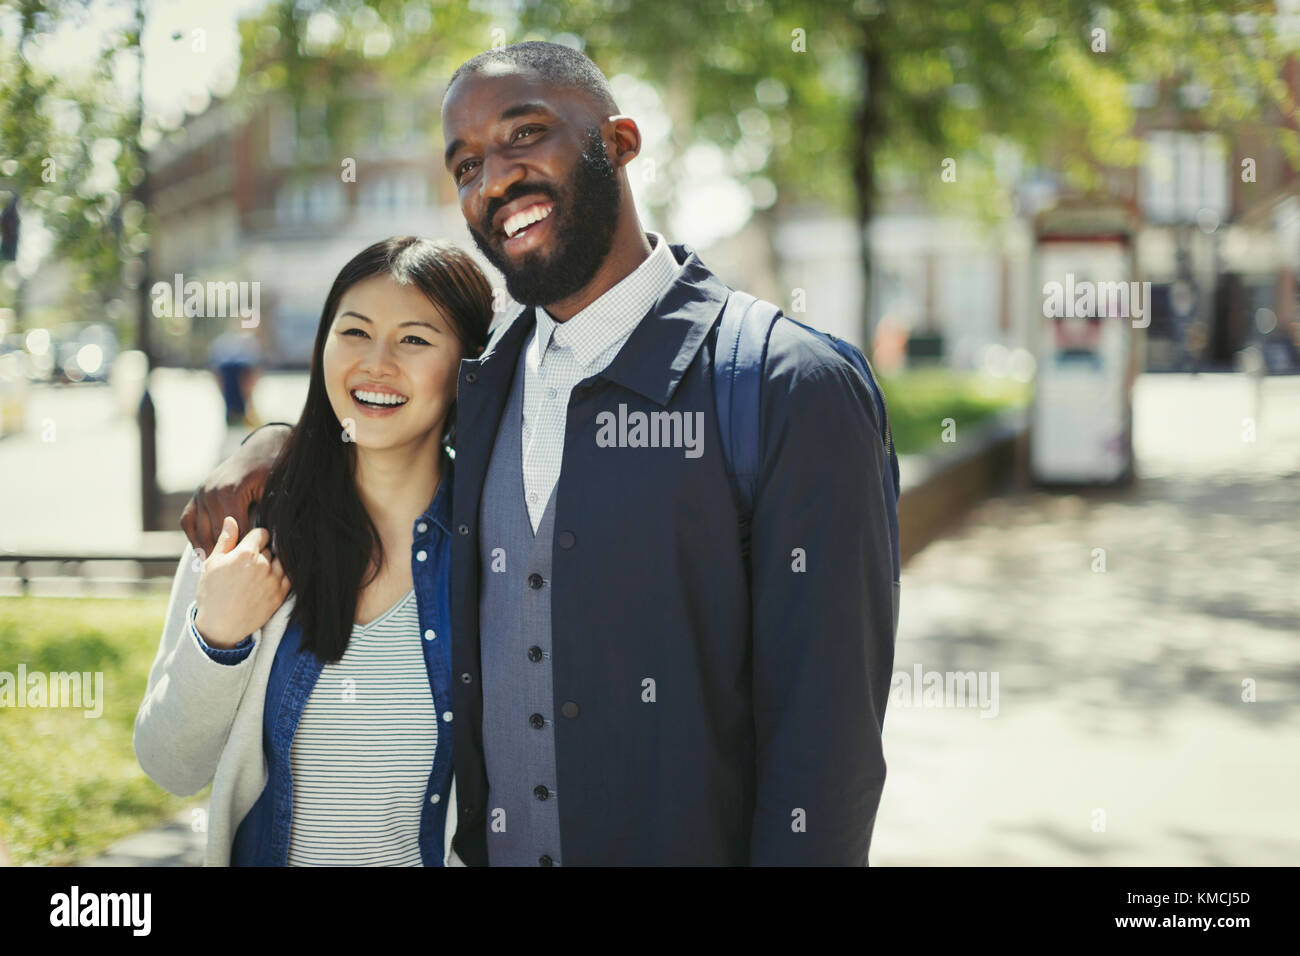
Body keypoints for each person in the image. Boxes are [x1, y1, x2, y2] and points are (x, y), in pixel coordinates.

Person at [182, 41, 897, 866]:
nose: (494, 180)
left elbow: (828, 752)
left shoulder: (788, 386)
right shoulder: (486, 386)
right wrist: (275, 442)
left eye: (526, 135)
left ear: (621, 142)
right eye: (465, 166)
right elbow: (379, 414)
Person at [136, 237, 492, 865]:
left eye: (414, 339)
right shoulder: (245, 525)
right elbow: (170, 765)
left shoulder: (499, 546)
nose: (376, 364)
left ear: (467, 365)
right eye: (354, 332)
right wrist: (218, 637)